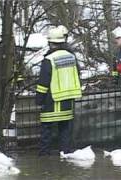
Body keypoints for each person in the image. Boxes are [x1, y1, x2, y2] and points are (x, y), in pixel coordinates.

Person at [35, 26, 82, 156]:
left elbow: (43, 82)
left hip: (52, 98)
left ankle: (44, 155)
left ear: (50, 43)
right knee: (65, 128)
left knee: (46, 128)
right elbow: (77, 74)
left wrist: (39, 99)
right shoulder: (71, 56)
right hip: (68, 98)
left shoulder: (49, 59)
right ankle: (65, 153)